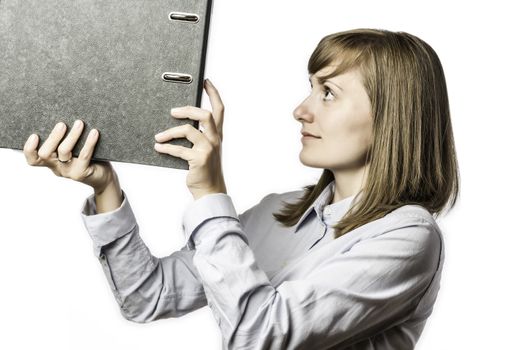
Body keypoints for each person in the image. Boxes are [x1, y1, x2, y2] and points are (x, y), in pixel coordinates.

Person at [23, 28, 459, 349]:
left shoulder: (408, 237)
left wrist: (210, 191)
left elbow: (261, 336)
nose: (300, 110)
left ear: (392, 118)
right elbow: (147, 296)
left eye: (328, 93)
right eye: (310, 87)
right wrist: (106, 188)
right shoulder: (280, 211)